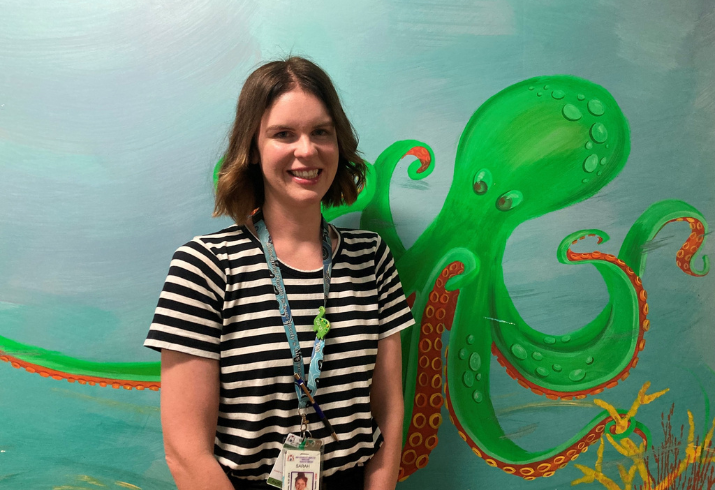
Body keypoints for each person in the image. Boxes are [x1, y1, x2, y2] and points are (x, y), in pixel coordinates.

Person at [145, 56, 414, 490]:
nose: (306, 150)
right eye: (284, 134)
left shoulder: (371, 258)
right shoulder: (205, 266)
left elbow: (389, 408)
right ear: (252, 147)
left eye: (321, 132)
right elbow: (184, 451)